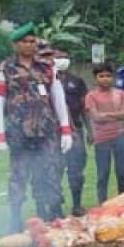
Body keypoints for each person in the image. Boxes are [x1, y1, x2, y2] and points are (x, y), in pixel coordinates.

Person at [0, 23, 74, 232]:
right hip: (19, 132)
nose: (30, 45)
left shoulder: (46, 67)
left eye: (32, 41)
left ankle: (49, 214)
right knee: (18, 176)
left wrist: (65, 129)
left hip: (45, 131)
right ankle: (15, 219)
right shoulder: (4, 69)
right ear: (15, 45)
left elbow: (58, 97)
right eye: (25, 42)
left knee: (48, 173)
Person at [84, 64, 124, 202]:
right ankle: (102, 204)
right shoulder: (91, 96)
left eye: (108, 76)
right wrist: (118, 115)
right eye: (101, 76)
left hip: (120, 136)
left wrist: (106, 115)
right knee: (103, 174)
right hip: (102, 139)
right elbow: (96, 117)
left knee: (122, 172)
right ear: (95, 78)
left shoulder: (120, 93)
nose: (105, 79)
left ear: (113, 77)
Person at [52, 46, 89, 215]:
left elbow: (84, 107)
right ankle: (55, 207)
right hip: (54, 133)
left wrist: (90, 130)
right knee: (55, 170)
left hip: (76, 130)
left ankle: (77, 205)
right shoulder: (46, 80)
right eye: (58, 56)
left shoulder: (77, 81)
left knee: (76, 169)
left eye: (65, 56)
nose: (62, 60)